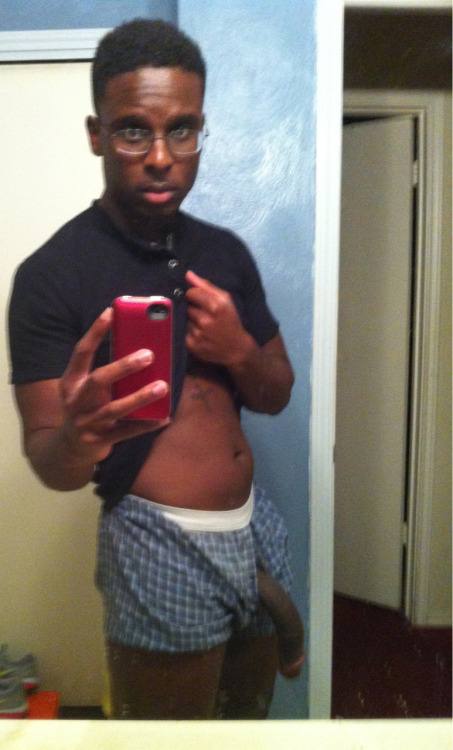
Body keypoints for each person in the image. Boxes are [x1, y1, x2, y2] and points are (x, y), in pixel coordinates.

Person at [8, 19, 303, 719]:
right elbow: (51, 463)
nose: (162, 157)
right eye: (134, 131)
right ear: (96, 134)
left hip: (253, 528)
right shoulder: (50, 277)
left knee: (246, 727)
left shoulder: (225, 253)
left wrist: (239, 351)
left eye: (183, 130)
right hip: (154, 543)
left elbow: (277, 393)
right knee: (162, 739)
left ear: (200, 130)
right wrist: (79, 436)